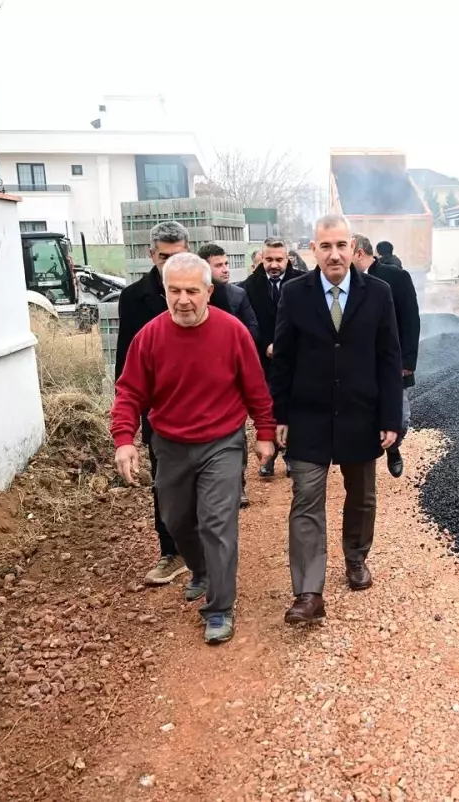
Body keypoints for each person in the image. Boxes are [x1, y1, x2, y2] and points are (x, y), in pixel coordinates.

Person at [111, 252, 276, 645]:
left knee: (219, 523)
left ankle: (219, 607)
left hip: (222, 442)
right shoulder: (149, 336)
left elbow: (256, 388)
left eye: (191, 291)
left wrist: (265, 433)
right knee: (176, 519)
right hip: (170, 444)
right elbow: (130, 391)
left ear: (208, 291)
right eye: (174, 291)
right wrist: (124, 440)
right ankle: (199, 569)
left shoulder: (232, 331)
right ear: (165, 291)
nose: (182, 300)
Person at [270, 214, 402, 625]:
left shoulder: (378, 293)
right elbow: (284, 359)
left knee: (361, 495)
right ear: (314, 249)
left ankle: (356, 557)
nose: (334, 254)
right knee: (305, 501)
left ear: (353, 249)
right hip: (308, 416)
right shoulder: (294, 294)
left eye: (341, 245)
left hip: (362, 414)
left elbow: (388, 358)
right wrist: (280, 415)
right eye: (325, 246)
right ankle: (309, 591)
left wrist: (391, 418)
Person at [114, 221, 191, 589]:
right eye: (165, 257)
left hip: (207, 407)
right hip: (160, 413)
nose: (172, 264)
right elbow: (125, 364)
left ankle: (207, 553)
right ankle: (171, 551)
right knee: (165, 485)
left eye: (179, 256)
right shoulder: (134, 299)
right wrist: (126, 425)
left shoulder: (211, 292)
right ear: (151, 255)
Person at [352, 235, 420, 478]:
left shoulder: (396, 278)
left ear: (359, 253)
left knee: (400, 416)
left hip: (393, 360)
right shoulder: (345, 283)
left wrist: (408, 362)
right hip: (360, 362)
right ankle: (363, 461)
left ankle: (394, 448)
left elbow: (411, 320)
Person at [239, 236, 308, 477]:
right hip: (262, 357)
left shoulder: (302, 282)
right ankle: (268, 457)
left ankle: (292, 454)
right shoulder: (248, 287)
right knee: (266, 407)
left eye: (279, 259)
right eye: (269, 259)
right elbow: (248, 323)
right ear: (261, 258)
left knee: (294, 404)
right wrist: (266, 345)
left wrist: (287, 345)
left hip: (296, 357)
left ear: (287, 259)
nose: (274, 265)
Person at [199, 243, 261, 508]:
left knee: (235, 431)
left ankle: (238, 485)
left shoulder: (237, 295)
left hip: (231, 377)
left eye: (226, 264)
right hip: (199, 379)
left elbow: (252, 328)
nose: (225, 270)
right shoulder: (191, 298)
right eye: (218, 265)